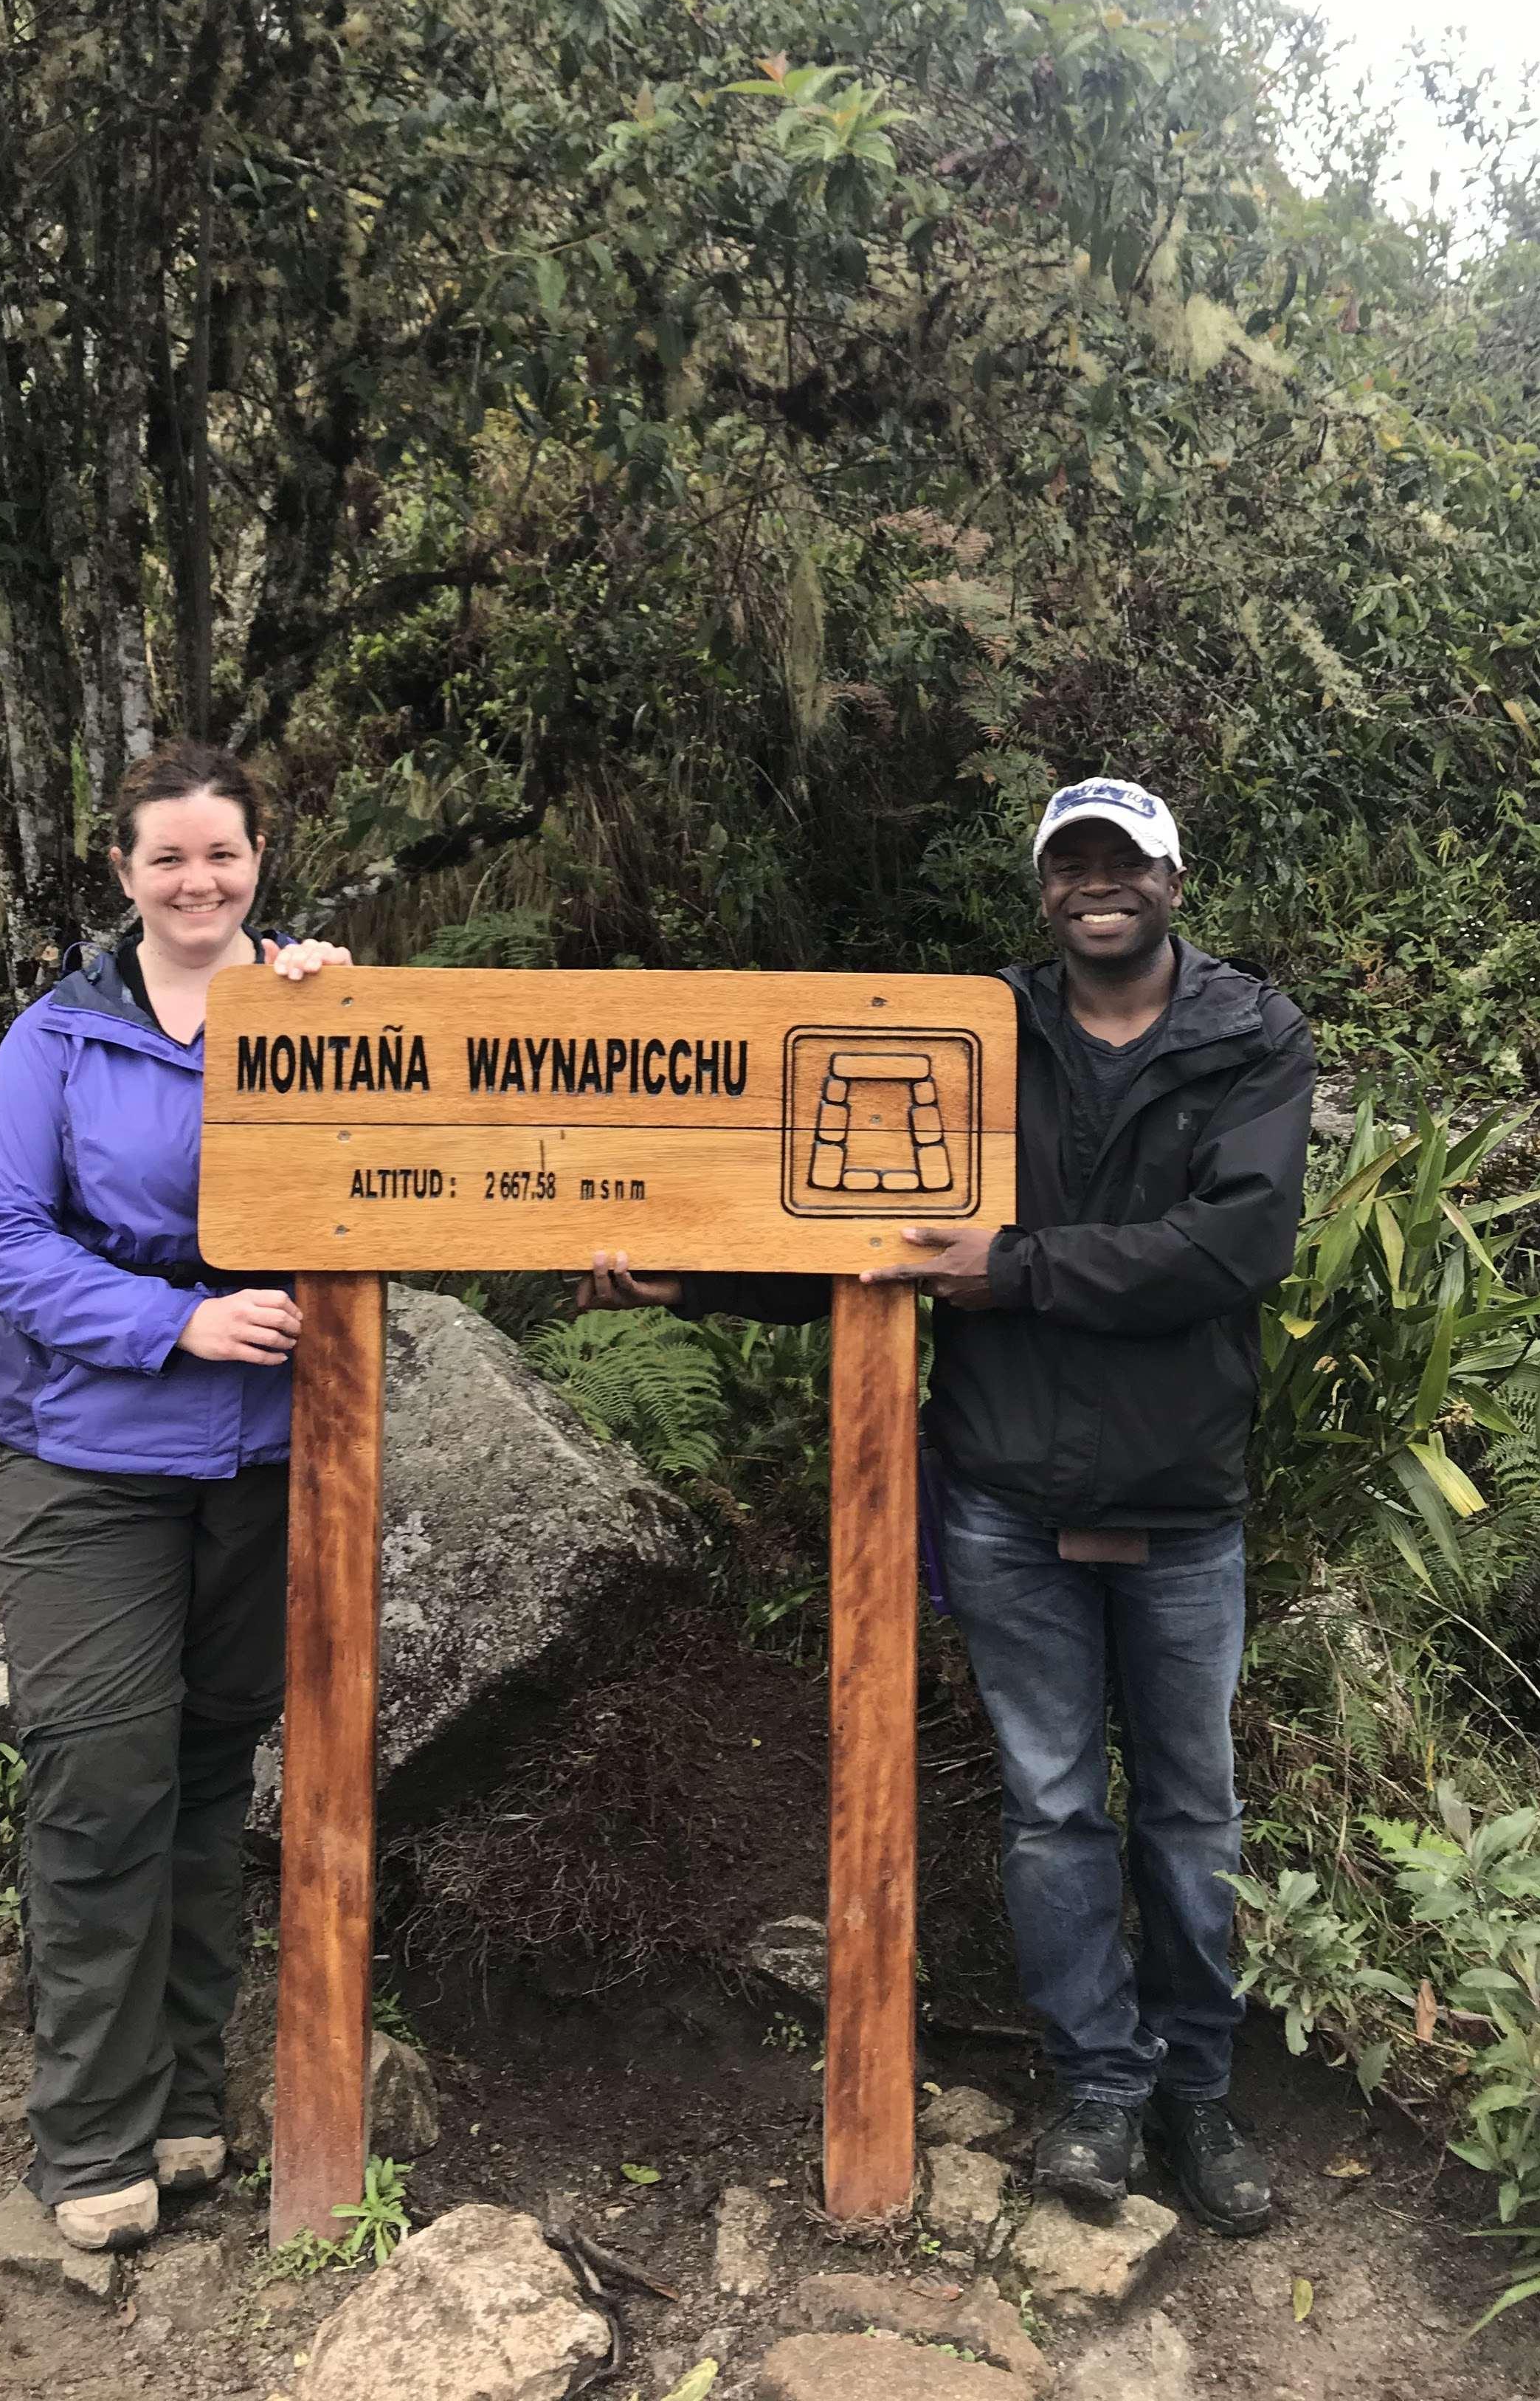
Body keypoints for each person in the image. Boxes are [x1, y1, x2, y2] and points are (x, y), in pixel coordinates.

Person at [584, 777, 1312, 2233]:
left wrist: (1018, 1266)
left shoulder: (1251, 1037)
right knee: (1052, 1811)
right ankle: (1098, 2087)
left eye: (1124, 862)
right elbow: (863, 1212)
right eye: (1071, 864)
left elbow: (1234, 1247)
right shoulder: (978, 1032)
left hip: (1179, 1507)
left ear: (1174, 881)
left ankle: (1200, 2094)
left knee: (1190, 1813)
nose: (1097, 884)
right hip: (1005, 1496)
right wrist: (697, 1275)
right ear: (1044, 889)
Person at [0, 741, 353, 2253]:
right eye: (168, 858)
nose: (199, 881)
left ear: (261, 863)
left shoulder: (312, 1007)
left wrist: (357, 1014)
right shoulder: (60, 1037)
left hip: (257, 1469)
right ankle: (90, 2140)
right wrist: (172, 1323)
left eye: (224, 856)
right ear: (123, 876)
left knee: (203, 1776)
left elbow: (397, 1160)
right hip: (87, 1463)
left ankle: (188, 2104)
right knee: (99, 1779)